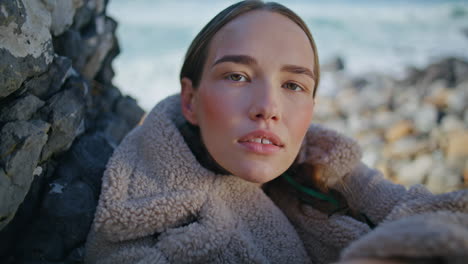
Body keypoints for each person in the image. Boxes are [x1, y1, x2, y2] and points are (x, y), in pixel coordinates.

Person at [84, 1, 468, 263]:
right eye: (237, 76)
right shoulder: (138, 211)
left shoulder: (330, 166)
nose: (268, 107)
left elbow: (437, 213)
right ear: (190, 100)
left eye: (293, 85)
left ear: (312, 108)